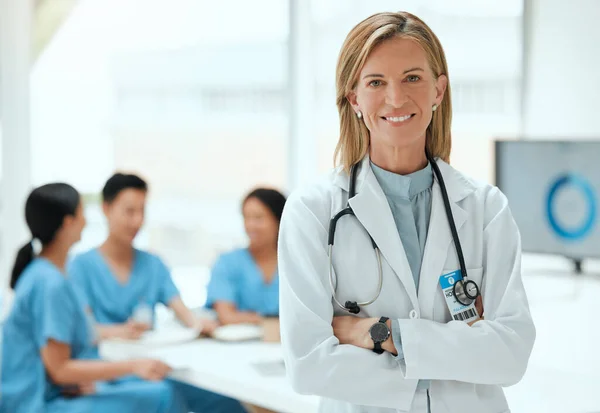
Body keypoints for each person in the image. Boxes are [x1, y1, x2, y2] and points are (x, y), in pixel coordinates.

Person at [278, 11, 536, 413]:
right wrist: (454, 357)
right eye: (376, 82)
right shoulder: (312, 212)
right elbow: (309, 365)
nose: (396, 99)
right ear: (354, 97)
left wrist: (382, 334)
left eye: (412, 77)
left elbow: (510, 354)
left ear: (438, 90)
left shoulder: (486, 208)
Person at [0, 183, 186, 413]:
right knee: (162, 396)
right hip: (37, 404)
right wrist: (134, 366)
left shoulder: (45, 273)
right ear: (68, 223)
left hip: (55, 391)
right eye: (82, 214)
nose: (86, 221)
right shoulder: (50, 283)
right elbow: (59, 369)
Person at [69, 173, 247, 413]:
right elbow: (81, 329)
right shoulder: (80, 266)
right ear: (106, 209)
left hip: (149, 365)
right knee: (166, 396)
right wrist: (119, 331)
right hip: (107, 370)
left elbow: (181, 310)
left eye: (142, 211)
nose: (137, 221)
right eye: (129, 211)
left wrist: (198, 323)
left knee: (223, 400)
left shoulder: (153, 264)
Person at [205, 188, 286, 325]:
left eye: (258, 218)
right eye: (246, 217)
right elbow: (227, 317)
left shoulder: (294, 264)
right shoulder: (227, 262)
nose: (250, 225)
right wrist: (274, 322)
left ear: (279, 221)